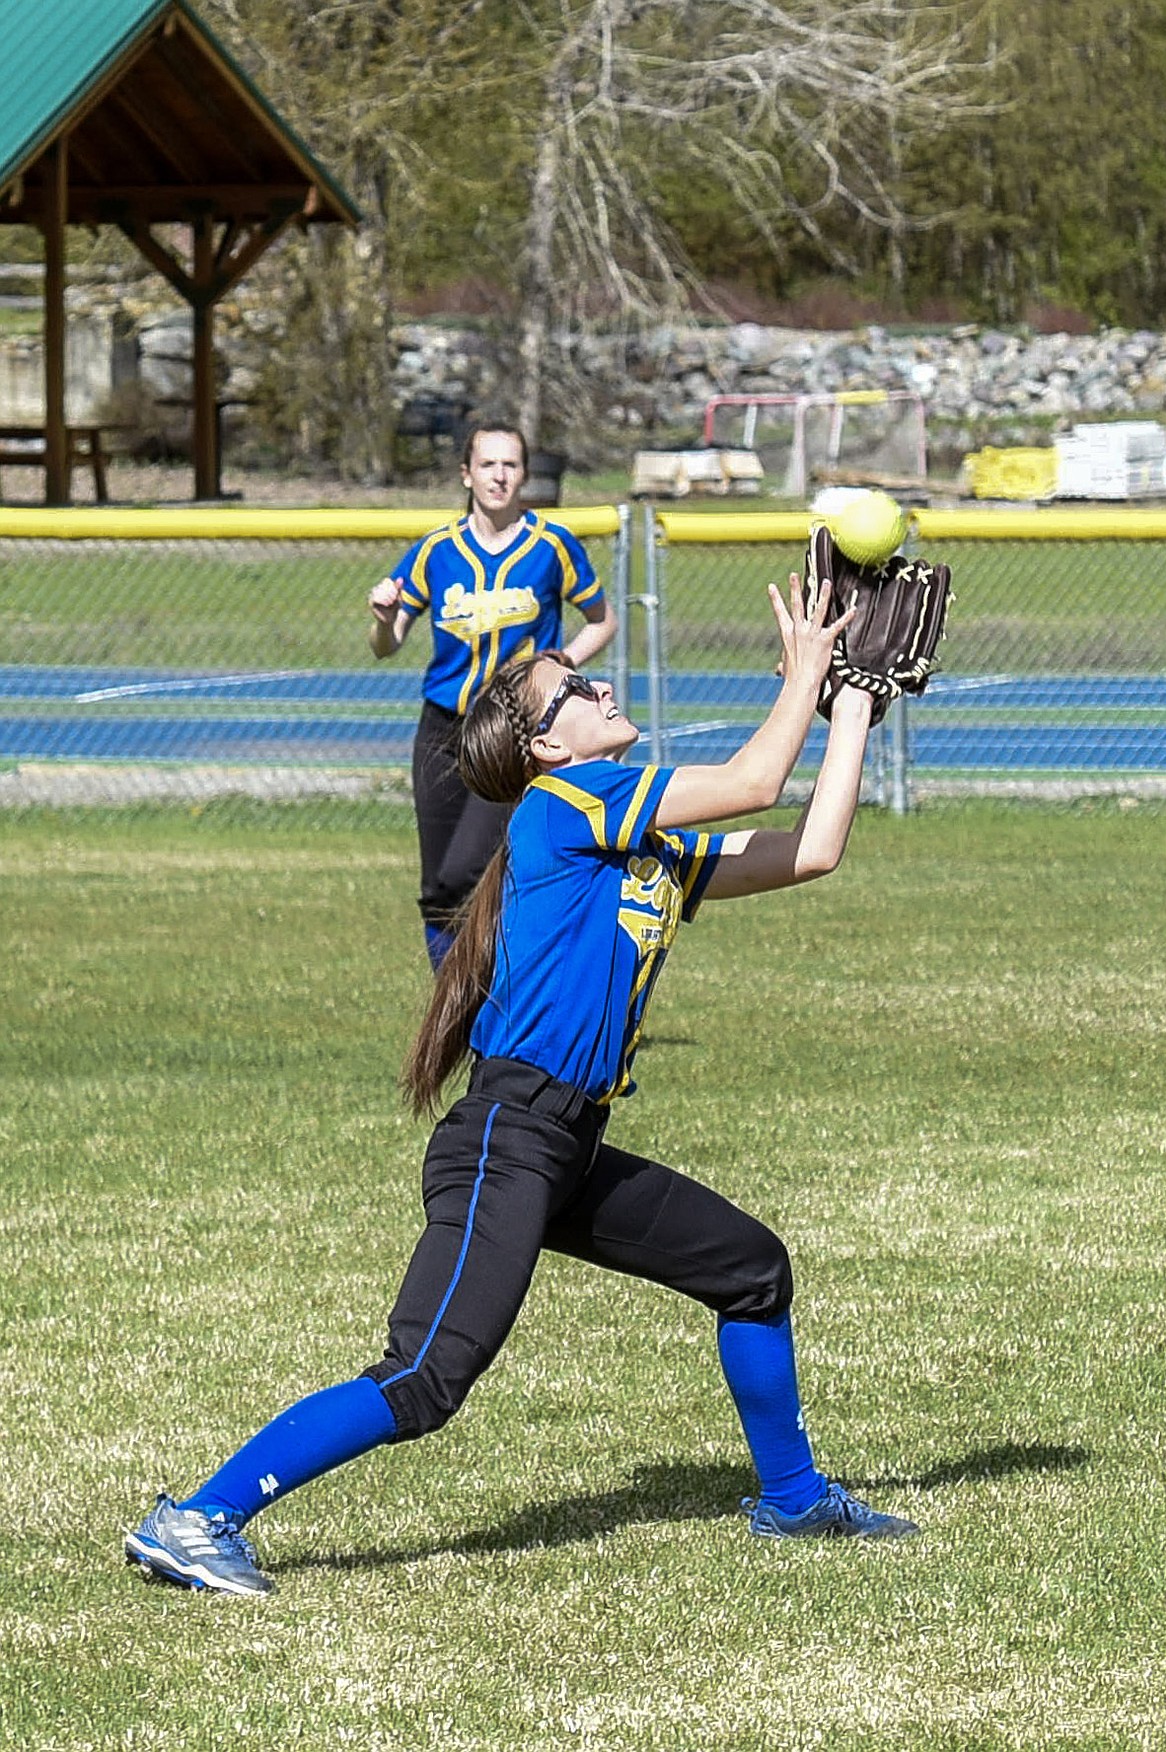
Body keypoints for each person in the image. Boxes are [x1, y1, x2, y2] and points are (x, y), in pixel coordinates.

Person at [125, 570, 919, 1598]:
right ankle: (197, 1517)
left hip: (563, 1145)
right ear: (550, 746)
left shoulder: (641, 843)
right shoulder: (564, 803)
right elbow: (759, 780)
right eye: (574, 694)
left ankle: (794, 1498)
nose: (598, 691)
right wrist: (805, 674)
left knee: (752, 1271)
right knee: (425, 1376)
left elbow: (813, 850)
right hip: (507, 1137)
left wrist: (849, 701)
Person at [367, 421, 617, 970]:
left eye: (510, 465)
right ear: (466, 474)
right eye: (487, 465)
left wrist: (565, 660)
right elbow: (387, 645)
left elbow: (602, 620)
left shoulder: (550, 545)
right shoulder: (437, 550)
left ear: (525, 474)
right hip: (443, 728)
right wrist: (385, 619)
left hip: (513, 730)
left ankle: (507, 984)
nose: (499, 476)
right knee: (437, 885)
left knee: (468, 872)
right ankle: (455, 1005)